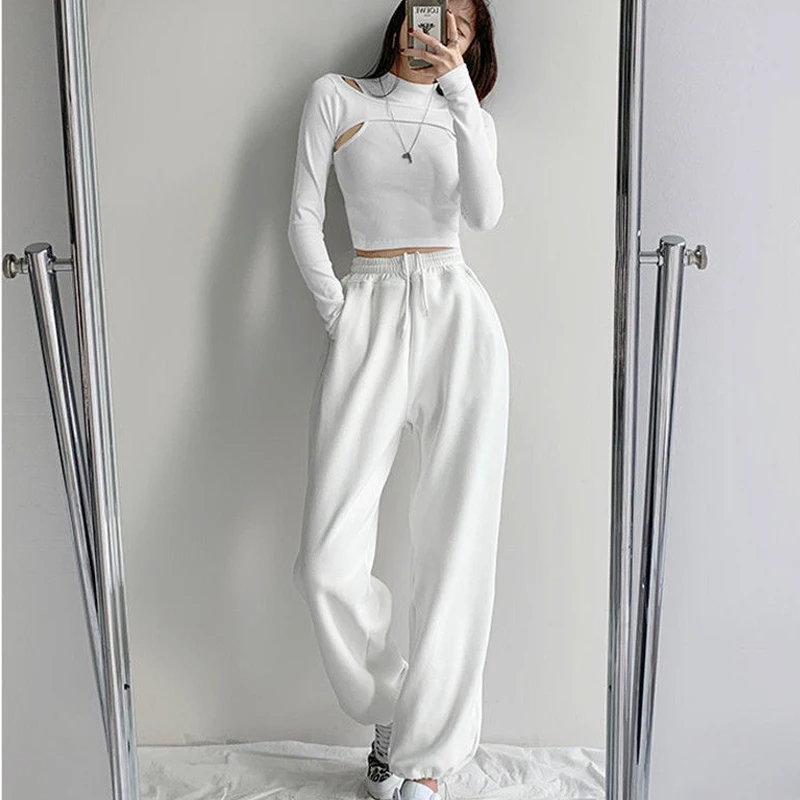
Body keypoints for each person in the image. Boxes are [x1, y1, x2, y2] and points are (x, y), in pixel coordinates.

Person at [287, 3, 508, 800]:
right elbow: (304, 217)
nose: (440, 32)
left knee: (457, 541)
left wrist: (462, 97)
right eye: (432, 12)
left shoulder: (468, 118)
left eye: (461, 27)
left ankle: (427, 756)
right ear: (402, 18)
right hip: (369, 307)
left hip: (457, 315)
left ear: (472, 45)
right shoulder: (336, 96)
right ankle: (392, 710)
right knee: (325, 559)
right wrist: (339, 313)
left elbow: (484, 214)